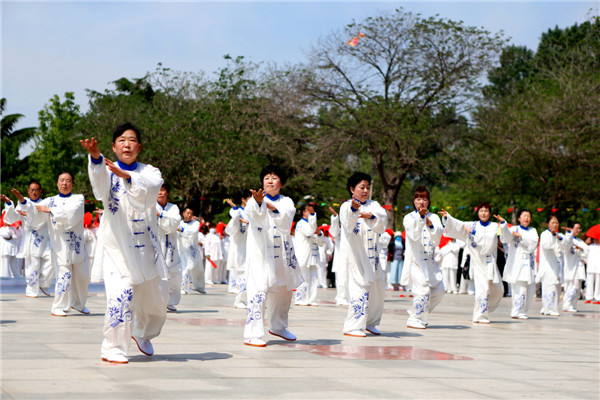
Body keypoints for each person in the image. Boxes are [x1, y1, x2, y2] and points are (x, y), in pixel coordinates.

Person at [81, 122, 169, 364]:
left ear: (139, 146)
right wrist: (96, 159)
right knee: (122, 296)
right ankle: (113, 347)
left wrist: (128, 176)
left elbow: (151, 189)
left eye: (131, 140)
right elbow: (99, 190)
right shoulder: (106, 170)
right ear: (113, 146)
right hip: (116, 247)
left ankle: (142, 333)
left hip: (146, 249)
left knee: (157, 300)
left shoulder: (150, 172)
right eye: (121, 140)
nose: (127, 144)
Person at [243, 165, 303, 347]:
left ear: (281, 183)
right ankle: (252, 333)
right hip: (261, 253)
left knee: (284, 291)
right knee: (259, 290)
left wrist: (273, 207)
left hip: (282, 253)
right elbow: (254, 217)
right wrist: (260, 203)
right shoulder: (254, 201)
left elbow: (286, 222)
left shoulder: (287, 202)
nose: (270, 181)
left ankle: (278, 327)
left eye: (274, 178)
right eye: (266, 178)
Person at [34, 172, 90, 317]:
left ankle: (77, 303)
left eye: (68, 181)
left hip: (77, 246)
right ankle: (58, 306)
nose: (64, 183)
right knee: (64, 276)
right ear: (57, 183)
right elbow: (35, 208)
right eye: (61, 180)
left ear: (72, 184)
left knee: (83, 277)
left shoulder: (78, 199)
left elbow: (71, 213)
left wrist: (50, 210)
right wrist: (21, 203)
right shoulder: (50, 200)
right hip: (60, 247)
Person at [339, 172, 387, 337]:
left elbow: (382, 223)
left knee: (377, 288)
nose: (365, 190)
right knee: (359, 288)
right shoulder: (346, 206)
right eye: (362, 187)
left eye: (367, 187)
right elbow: (347, 223)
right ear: (352, 189)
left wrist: (371, 217)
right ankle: (353, 325)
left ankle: (370, 322)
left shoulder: (374, 205)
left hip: (373, 255)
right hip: (355, 255)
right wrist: (354, 209)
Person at [441, 203, 505, 323]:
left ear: (490, 213)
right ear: (478, 212)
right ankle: (480, 315)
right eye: (481, 211)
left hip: (490, 262)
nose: (483, 213)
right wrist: (447, 217)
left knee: (499, 289)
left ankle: (485, 307)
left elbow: (490, 241)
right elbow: (457, 224)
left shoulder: (494, 226)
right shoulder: (472, 224)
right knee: (483, 289)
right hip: (478, 263)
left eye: (486, 211)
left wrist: (474, 233)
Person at [401, 186, 444, 329]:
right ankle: (415, 319)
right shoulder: (409, 217)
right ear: (414, 201)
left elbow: (437, 237)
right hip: (416, 261)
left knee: (439, 290)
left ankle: (417, 313)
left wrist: (430, 224)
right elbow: (413, 234)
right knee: (422, 291)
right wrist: (420, 218)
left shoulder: (434, 217)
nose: (421, 202)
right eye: (418, 199)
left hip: (430, 262)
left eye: (424, 199)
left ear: (428, 201)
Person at [1, 182, 54, 296]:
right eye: (32, 190)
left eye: (36, 190)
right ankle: (31, 289)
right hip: (30, 237)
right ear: (28, 191)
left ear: (40, 191)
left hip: (44, 237)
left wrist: (28, 213)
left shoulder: (44, 203)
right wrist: (9, 204)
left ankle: (44, 284)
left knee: (51, 260)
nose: (34, 192)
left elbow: (44, 216)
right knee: (32, 264)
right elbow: (11, 218)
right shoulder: (22, 203)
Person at [500, 209, 539, 320]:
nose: (526, 218)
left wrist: (521, 236)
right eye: (524, 216)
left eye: (528, 216)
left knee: (530, 290)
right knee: (519, 288)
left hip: (528, 264)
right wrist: (503, 225)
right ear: (519, 218)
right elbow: (505, 237)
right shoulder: (514, 229)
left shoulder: (533, 230)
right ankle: (517, 311)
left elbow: (534, 242)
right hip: (517, 264)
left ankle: (522, 310)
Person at [156, 183, 182, 312]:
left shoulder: (173, 208)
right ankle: (156, 301)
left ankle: (169, 301)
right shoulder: (150, 206)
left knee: (172, 273)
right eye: (158, 190)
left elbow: (174, 223)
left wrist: (161, 215)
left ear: (167, 193)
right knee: (156, 273)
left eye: (163, 190)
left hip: (171, 244)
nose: (160, 193)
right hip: (156, 243)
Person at [536, 215, 569, 316]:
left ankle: (548, 307)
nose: (555, 225)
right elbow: (547, 245)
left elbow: (566, 245)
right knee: (549, 287)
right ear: (548, 224)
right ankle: (549, 309)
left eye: (557, 222)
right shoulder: (545, 234)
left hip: (557, 266)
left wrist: (560, 237)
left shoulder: (559, 235)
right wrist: (553, 236)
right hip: (548, 266)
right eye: (553, 222)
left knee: (557, 288)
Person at [224, 192, 250, 308]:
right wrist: (234, 207)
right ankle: (239, 300)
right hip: (240, 248)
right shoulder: (237, 211)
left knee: (249, 274)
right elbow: (235, 217)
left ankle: (248, 299)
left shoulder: (252, 212)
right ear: (243, 199)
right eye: (249, 199)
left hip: (250, 247)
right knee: (241, 273)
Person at [294, 204, 319, 306]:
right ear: (304, 212)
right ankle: (301, 299)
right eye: (308, 211)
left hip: (312, 255)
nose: (311, 213)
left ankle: (311, 299)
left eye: (312, 211)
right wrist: (313, 216)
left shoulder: (309, 223)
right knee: (304, 278)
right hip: (303, 254)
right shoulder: (301, 223)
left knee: (314, 279)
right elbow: (309, 232)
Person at [178, 207, 205, 295]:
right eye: (187, 213)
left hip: (193, 250)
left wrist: (181, 230)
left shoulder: (195, 223)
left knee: (199, 269)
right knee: (185, 268)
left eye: (191, 214)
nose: (189, 215)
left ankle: (199, 286)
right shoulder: (179, 223)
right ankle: (183, 287)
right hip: (182, 250)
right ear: (183, 213)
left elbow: (193, 232)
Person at [329, 206, 349, 306]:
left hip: (350, 259)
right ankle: (341, 298)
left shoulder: (351, 232)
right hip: (340, 260)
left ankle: (347, 297)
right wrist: (335, 217)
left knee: (349, 280)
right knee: (341, 280)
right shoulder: (339, 233)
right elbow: (334, 231)